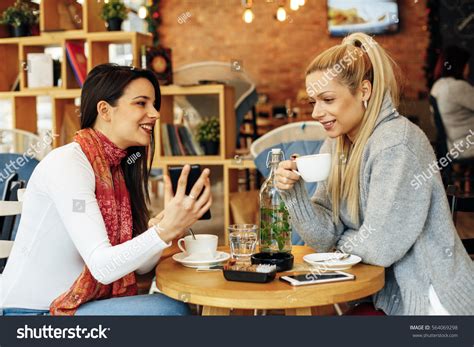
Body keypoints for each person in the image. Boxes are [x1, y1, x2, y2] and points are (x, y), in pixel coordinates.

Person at [275, 33, 474, 315]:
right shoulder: (336, 143)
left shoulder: (396, 143)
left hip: (430, 302)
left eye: (327, 99)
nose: (317, 112)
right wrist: (294, 194)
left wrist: (337, 244)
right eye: (313, 102)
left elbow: (380, 246)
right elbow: (322, 236)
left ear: (364, 91)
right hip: (383, 297)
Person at [0, 64, 212, 316]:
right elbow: (104, 267)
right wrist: (165, 231)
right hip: (28, 314)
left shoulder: (116, 170)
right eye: (141, 103)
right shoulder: (68, 164)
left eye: (154, 104)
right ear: (105, 110)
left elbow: (140, 268)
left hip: (79, 305)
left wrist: (160, 228)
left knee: (169, 308)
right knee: (168, 312)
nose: (154, 113)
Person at [431, 45, 474, 159]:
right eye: (467, 63)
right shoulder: (457, 87)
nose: (469, 68)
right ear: (460, 65)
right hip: (467, 144)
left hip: (453, 145)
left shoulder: (438, 86)